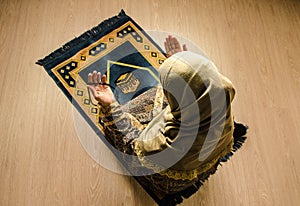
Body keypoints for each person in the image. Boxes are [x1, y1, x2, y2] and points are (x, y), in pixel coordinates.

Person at [87, 35, 247, 203]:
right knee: (185, 91)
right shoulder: (222, 94)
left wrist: (110, 105)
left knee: (120, 120)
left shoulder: (165, 147)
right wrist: (184, 67)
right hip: (203, 161)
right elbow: (199, 82)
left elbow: (132, 144)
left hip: (170, 181)